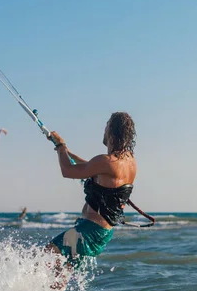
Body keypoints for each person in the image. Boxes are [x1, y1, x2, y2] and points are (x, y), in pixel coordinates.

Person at [45, 112, 137, 269]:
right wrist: (64, 150)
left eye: (107, 126)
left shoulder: (106, 161)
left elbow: (68, 171)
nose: (104, 130)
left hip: (90, 231)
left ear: (113, 132)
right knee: (61, 271)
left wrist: (60, 145)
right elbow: (91, 168)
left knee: (46, 254)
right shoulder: (128, 160)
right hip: (99, 232)